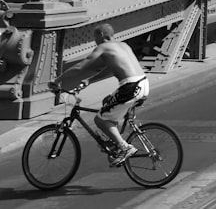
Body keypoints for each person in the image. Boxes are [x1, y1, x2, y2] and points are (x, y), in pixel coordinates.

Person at [49, 23, 149, 166]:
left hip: (131, 86)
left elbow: (80, 66)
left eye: (94, 37)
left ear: (100, 35)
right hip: (143, 83)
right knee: (107, 103)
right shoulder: (124, 45)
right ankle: (115, 142)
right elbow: (111, 69)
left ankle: (125, 147)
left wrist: (57, 80)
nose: (94, 41)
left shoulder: (103, 47)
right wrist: (90, 80)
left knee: (100, 120)